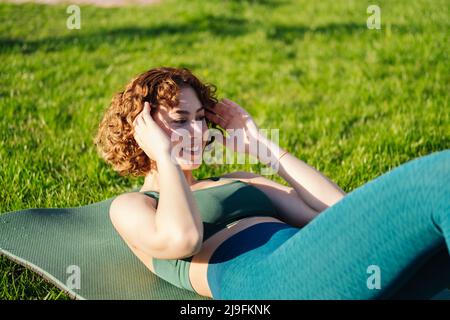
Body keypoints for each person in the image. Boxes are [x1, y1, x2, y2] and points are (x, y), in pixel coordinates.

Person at [94, 66, 450, 299]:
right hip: (272, 282)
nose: (199, 131)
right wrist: (165, 156)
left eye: (201, 118)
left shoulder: (238, 179)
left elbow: (341, 212)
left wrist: (263, 146)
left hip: (316, 258)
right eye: (180, 120)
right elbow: (183, 238)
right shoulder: (135, 205)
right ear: (142, 132)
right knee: (440, 177)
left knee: (439, 268)